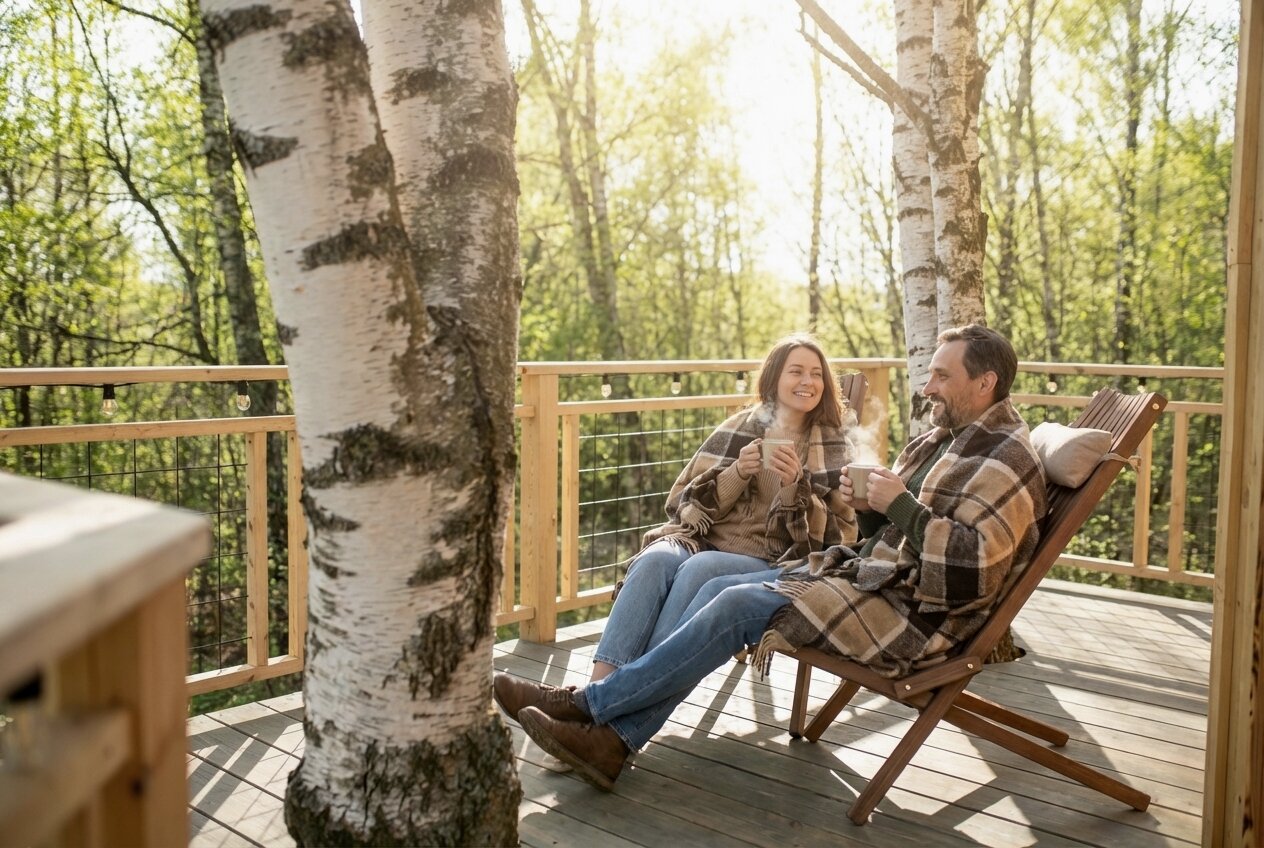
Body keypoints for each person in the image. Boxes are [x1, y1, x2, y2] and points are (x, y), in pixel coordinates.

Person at [495, 324, 1048, 792]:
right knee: (699, 578)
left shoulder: (1004, 456)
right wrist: (875, 507)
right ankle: (609, 739)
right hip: (869, 573)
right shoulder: (940, 443)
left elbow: (972, 572)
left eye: (941, 376)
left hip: (917, 613)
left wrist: (888, 505)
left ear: (985, 382)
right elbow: (874, 530)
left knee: (731, 597)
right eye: (929, 374)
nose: (926, 387)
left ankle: (591, 708)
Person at [495, 334, 858, 720]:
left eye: (817, 374)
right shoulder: (743, 427)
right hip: (703, 539)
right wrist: (737, 471)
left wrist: (793, 489)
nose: (808, 381)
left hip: (774, 559)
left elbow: (841, 535)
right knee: (654, 560)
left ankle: (591, 711)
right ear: (773, 378)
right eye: (796, 371)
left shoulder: (832, 445)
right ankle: (597, 692)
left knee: (697, 570)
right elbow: (685, 500)